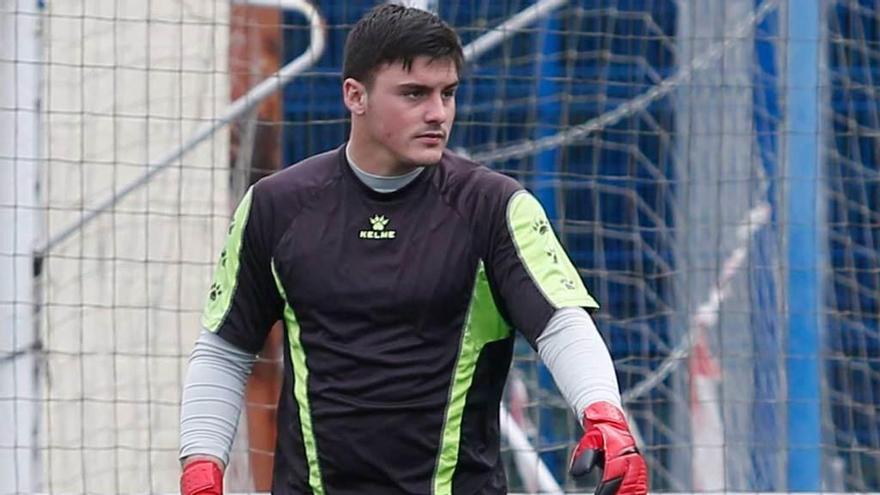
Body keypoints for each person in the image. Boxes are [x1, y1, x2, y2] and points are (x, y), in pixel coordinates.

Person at [178, 4, 648, 495]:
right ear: (354, 96)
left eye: (448, 94)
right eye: (414, 94)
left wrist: (604, 416)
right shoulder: (275, 206)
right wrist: (201, 469)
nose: (437, 113)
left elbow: (562, 324)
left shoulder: (496, 206)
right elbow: (225, 350)